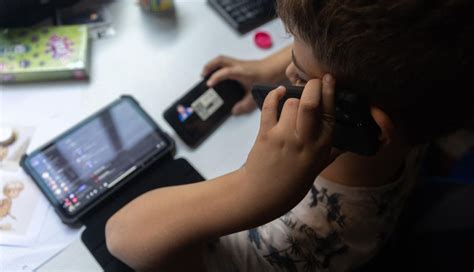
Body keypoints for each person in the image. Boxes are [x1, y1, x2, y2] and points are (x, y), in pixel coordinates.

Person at [105, 0, 474, 271]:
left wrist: (250, 188)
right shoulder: (416, 89)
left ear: (362, 121)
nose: (290, 75)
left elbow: (123, 237)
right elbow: (346, 49)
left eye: (298, 71)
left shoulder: (299, 238)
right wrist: (266, 67)